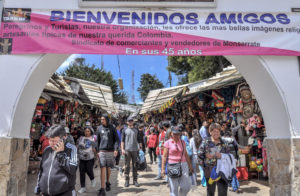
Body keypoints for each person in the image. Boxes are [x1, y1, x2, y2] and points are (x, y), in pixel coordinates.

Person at [198, 123, 244, 196]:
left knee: (223, 191)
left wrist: (221, 156)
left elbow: (229, 156)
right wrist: (204, 166)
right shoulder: (205, 142)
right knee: (210, 191)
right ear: (210, 132)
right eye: (213, 131)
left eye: (217, 131)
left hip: (222, 170)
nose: (216, 133)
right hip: (210, 169)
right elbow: (200, 155)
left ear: (220, 132)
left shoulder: (224, 142)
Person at [34, 125, 78, 196]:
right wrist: (38, 187)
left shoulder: (72, 149)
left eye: (54, 141)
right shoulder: (47, 150)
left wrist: (60, 154)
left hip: (65, 193)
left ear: (64, 138)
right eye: (50, 140)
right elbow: (42, 171)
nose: (52, 143)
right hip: (45, 193)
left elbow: (72, 169)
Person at [162, 126, 193, 196]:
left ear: (180, 134)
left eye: (178, 134)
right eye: (174, 134)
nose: (176, 135)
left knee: (186, 187)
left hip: (183, 165)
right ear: (171, 134)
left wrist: (190, 166)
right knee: (173, 188)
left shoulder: (183, 142)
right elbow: (164, 156)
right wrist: (163, 169)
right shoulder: (167, 143)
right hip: (172, 165)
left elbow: (186, 154)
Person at [96, 114, 119, 196]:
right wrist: (97, 151)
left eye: (103, 119)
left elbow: (116, 140)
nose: (102, 121)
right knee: (102, 167)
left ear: (106, 119)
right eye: (101, 119)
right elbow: (97, 141)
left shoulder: (112, 127)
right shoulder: (99, 128)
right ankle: (102, 189)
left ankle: (108, 182)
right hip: (102, 150)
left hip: (110, 150)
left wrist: (116, 149)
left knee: (108, 167)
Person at [121, 117, 143, 187]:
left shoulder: (136, 129)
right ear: (127, 122)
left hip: (135, 150)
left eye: (131, 121)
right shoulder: (124, 130)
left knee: (135, 166)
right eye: (129, 121)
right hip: (127, 150)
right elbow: (122, 141)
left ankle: (135, 180)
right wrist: (122, 149)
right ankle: (127, 180)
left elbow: (139, 139)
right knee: (127, 166)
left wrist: (140, 146)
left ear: (133, 122)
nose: (130, 122)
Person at [77, 127, 97, 194]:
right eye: (86, 131)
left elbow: (94, 149)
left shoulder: (93, 138)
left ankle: (92, 179)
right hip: (81, 158)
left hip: (90, 158)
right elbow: (77, 146)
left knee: (89, 170)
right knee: (81, 173)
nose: (87, 132)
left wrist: (96, 157)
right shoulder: (81, 138)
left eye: (88, 131)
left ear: (90, 132)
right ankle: (83, 187)